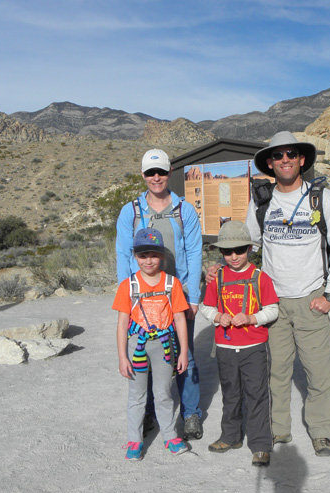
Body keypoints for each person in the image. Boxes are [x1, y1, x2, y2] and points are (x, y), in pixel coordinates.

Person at [247, 131, 330, 457]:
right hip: (273, 302)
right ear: (271, 163)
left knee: (319, 371)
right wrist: (221, 268)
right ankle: (279, 431)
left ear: (301, 159)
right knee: (276, 371)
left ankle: (320, 432)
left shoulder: (322, 199)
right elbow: (248, 245)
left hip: (311, 299)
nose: (285, 159)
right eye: (278, 156)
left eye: (291, 153)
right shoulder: (262, 202)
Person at [115, 149, 204, 441]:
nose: (157, 178)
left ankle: (190, 414)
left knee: (184, 354)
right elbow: (123, 252)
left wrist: (193, 296)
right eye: (151, 173)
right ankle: (150, 413)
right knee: (146, 354)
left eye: (162, 172)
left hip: (176, 294)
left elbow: (193, 251)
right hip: (141, 298)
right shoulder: (132, 211)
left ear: (169, 173)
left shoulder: (184, 209)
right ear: (143, 175)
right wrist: (127, 294)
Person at [200, 221, 279, 467]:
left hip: (254, 348)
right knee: (230, 393)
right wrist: (216, 317)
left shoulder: (260, 278)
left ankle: (261, 445)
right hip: (225, 348)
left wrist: (252, 318)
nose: (234, 256)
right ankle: (231, 436)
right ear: (220, 253)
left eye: (240, 250)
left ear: (249, 249)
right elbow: (206, 306)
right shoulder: (216, 278)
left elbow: (273, 309)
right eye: (227, 251)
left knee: (257, 395)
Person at [112, 227, 190, 460]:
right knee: (136, 394)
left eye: (153, 255)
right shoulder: (128, 285)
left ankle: (170, 436)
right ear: (135, 256)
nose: (148, 261)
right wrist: (122, 357)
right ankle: (134, 440)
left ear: (162, 256)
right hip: (137, 345)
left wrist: (184, 352)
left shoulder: (171, 284)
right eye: (142, 255)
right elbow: (122, 322)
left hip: (164, 345)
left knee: (164, 392)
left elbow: (179, 319)